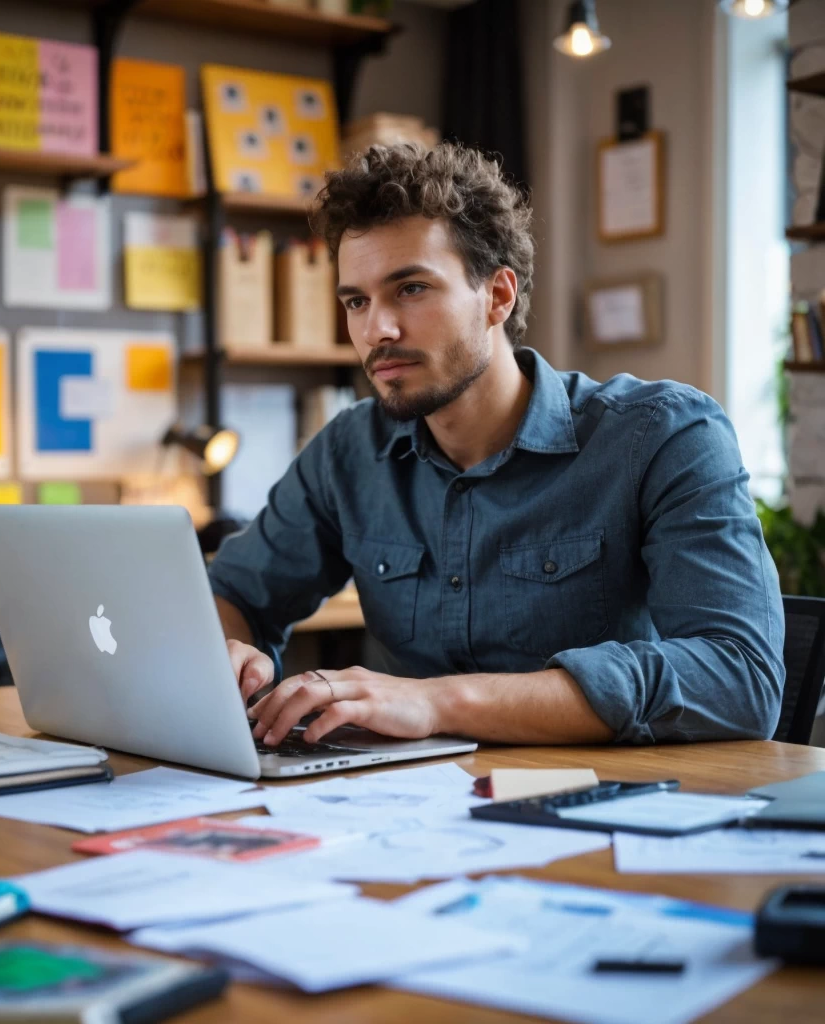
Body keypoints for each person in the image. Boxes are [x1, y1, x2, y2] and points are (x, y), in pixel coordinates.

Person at [208, 142, 785, 749]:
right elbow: (237, 592)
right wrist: (232, 654)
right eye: (357, 301)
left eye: (410, 289)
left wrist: (436, 701)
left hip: (605, 806)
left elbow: (739, 677)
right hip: (404, 806)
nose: (377, 329)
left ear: (498, 297)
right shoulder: (348, 452)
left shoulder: (664, 435)